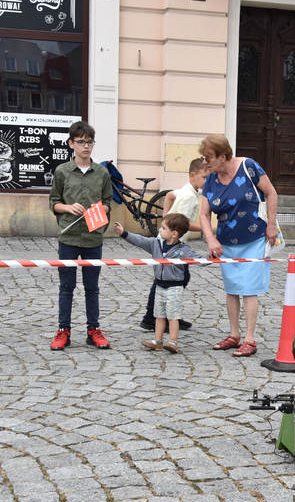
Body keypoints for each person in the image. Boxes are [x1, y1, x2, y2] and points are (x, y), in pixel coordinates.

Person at [198, 134, 279, 357]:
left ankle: (250, 340)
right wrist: (210, 239)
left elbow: (271, 193)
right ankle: (234, 335)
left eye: (208, 158)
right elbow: (204, 215)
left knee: (249, 289)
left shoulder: (248, 167)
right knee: (232, 288)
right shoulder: (211, 179)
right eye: (203, 158)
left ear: (223, 156)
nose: (205, 163)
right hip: (226, 242)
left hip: (254, 239)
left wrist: (271, 224)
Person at [49, 121, 113, 351]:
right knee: (66, 286)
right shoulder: (62, 171)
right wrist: (69, 208)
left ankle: (93, 329)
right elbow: (54, 203)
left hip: (93, 237)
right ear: (71, 144)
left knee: (92, 287)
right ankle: (63, 330)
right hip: (68, 236)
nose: (86, 146)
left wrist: (101, 209)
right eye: (81, 142)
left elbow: (108, 203)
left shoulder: (102, 173)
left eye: (89, 142)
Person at [114, 213, 200, 354]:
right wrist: (124, 233)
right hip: (160, 286)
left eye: (163, 228)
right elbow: (140, 240)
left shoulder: (183, 250)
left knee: (172, 316)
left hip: (174, 287)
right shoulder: (156, 244)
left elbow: (199, 259)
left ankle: (173, 341)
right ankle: (158, 341)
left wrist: (212, 257)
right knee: (159, 315)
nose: (160, 230)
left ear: (174, 234)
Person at [140, 157, 208, 332]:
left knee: (169, 278)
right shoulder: (189, 198)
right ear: (193, 175)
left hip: (169, 242)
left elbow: (169, 195)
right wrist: (208, 229)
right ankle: (155, 317)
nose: (207, 180)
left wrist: (166, 218)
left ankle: (164, 316)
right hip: (173, 246)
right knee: (169, 280)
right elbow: (183, 225)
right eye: (205, 177)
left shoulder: (187, 191)